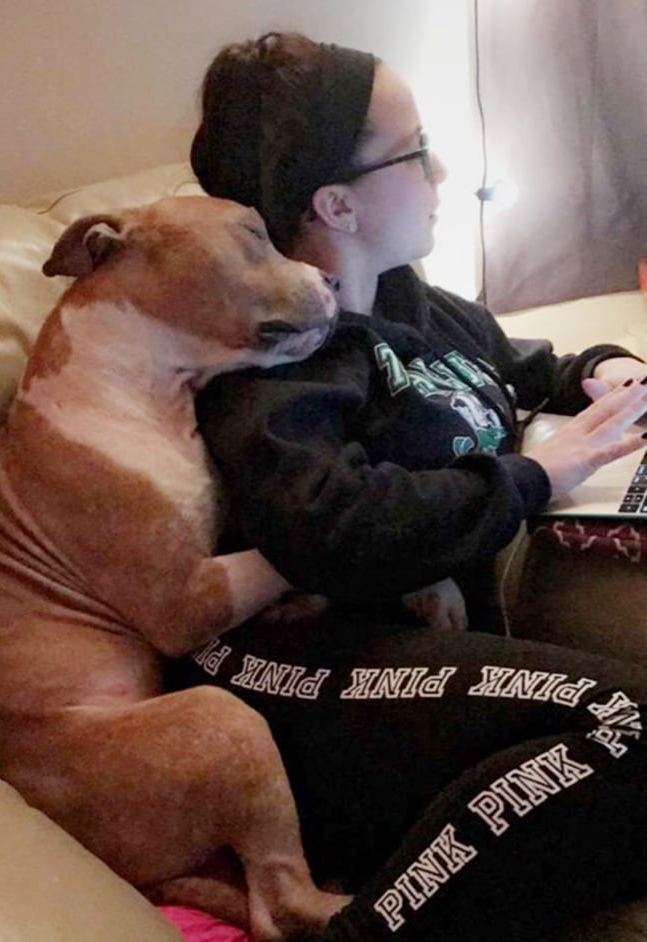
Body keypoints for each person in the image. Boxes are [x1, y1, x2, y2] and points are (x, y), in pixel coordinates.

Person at [173, 31, 647, 942]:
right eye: (417, 151)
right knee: (628, 721)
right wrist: (531, 475)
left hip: (428, 659)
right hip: (300, 666)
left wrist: (606, 370)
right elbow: (329, 525)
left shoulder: (406, 299)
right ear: (336, 204)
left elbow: (523, 368)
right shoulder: (271, 353)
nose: (440, 172)